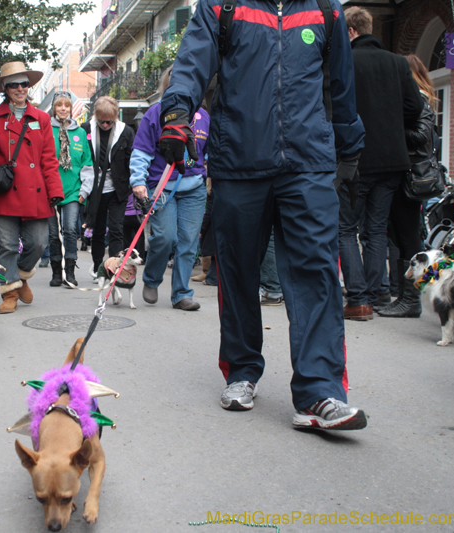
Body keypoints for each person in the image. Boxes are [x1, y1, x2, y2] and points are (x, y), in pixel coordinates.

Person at [160, 0, 368, 429]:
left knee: (316, 272)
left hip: (308, 164)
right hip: (239, 160)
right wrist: (177, 113)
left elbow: (342, 85)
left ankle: (320, 390)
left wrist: (348, 146)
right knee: (236, 273)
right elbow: (191, 63)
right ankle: (241, 370)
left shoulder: (325, 11)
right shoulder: (222, 6)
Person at [339, 7, 423, 321]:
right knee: (375, 230)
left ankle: (358, 299)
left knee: (346, 228)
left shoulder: (345, 61)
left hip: (355, 158)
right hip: (392, 161)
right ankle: (374, 296)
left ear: (349, 31)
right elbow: (414, 109)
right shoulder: (398, 63)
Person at [0, 61, 63, 314]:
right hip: (4, 192)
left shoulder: (42, 118)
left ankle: (21, 276)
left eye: (24, 83)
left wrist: (55, 191)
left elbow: (48, 159)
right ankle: (10, 292)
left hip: (36, 192)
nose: (20, 88)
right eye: (13, 84)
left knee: (39, 242)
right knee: (7, 246)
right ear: (5, 88)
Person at [131, 67, 209, 311]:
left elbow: (211, 151)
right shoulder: (155, 114)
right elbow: (141, 151)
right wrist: (138, 181)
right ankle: (152, 279)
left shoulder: (204, 116)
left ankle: (181, 294)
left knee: (188, 242)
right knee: (165, 237)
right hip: (161, 187)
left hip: (194, 188)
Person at [377, 55, 437, 318]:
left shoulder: (419, 100)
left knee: (410, 237)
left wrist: (391, 129)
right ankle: (405, 297)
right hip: (404, 173)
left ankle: (411, 299)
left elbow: (421, 136)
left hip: (413, 176)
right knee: (402, 237)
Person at [81, 96, 134, 276]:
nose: (105, 125)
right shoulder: (86, 129)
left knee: (117, 228)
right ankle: (98, 266)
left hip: (118, 187)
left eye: (109, 122)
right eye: (102, 121)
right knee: (97, 228)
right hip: (95, 187)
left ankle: (114, 269)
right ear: (96, 116)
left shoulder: (125, 131)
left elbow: (131, 159)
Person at [48, 91, 93, 287]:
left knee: (70, 229)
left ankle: (70, 272)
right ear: (54, 108)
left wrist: (84, 191)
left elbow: (87, 163)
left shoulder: (81, 133)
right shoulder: (45, 129)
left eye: (67, 105)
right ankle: (56, 271)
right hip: (50, 190)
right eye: (59, 105)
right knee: (52, 233)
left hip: (73, 191)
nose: (63, 108)